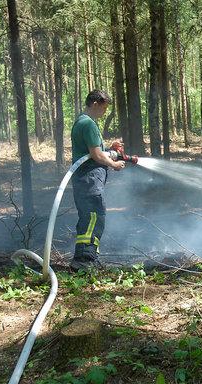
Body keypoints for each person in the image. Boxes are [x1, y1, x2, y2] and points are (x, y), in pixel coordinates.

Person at [70, 90, 125, 269]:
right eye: (103, 108)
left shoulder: (82, 121)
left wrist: (110, 149)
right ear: (95, 104)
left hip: (84, 179)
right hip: (89, 179)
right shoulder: (88, 124)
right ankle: (84, 261)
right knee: (94, 217)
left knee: (89, 216)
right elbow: (96, 155)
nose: (104, 112)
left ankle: (85, 259)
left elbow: (93, 151)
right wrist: (114, 164)